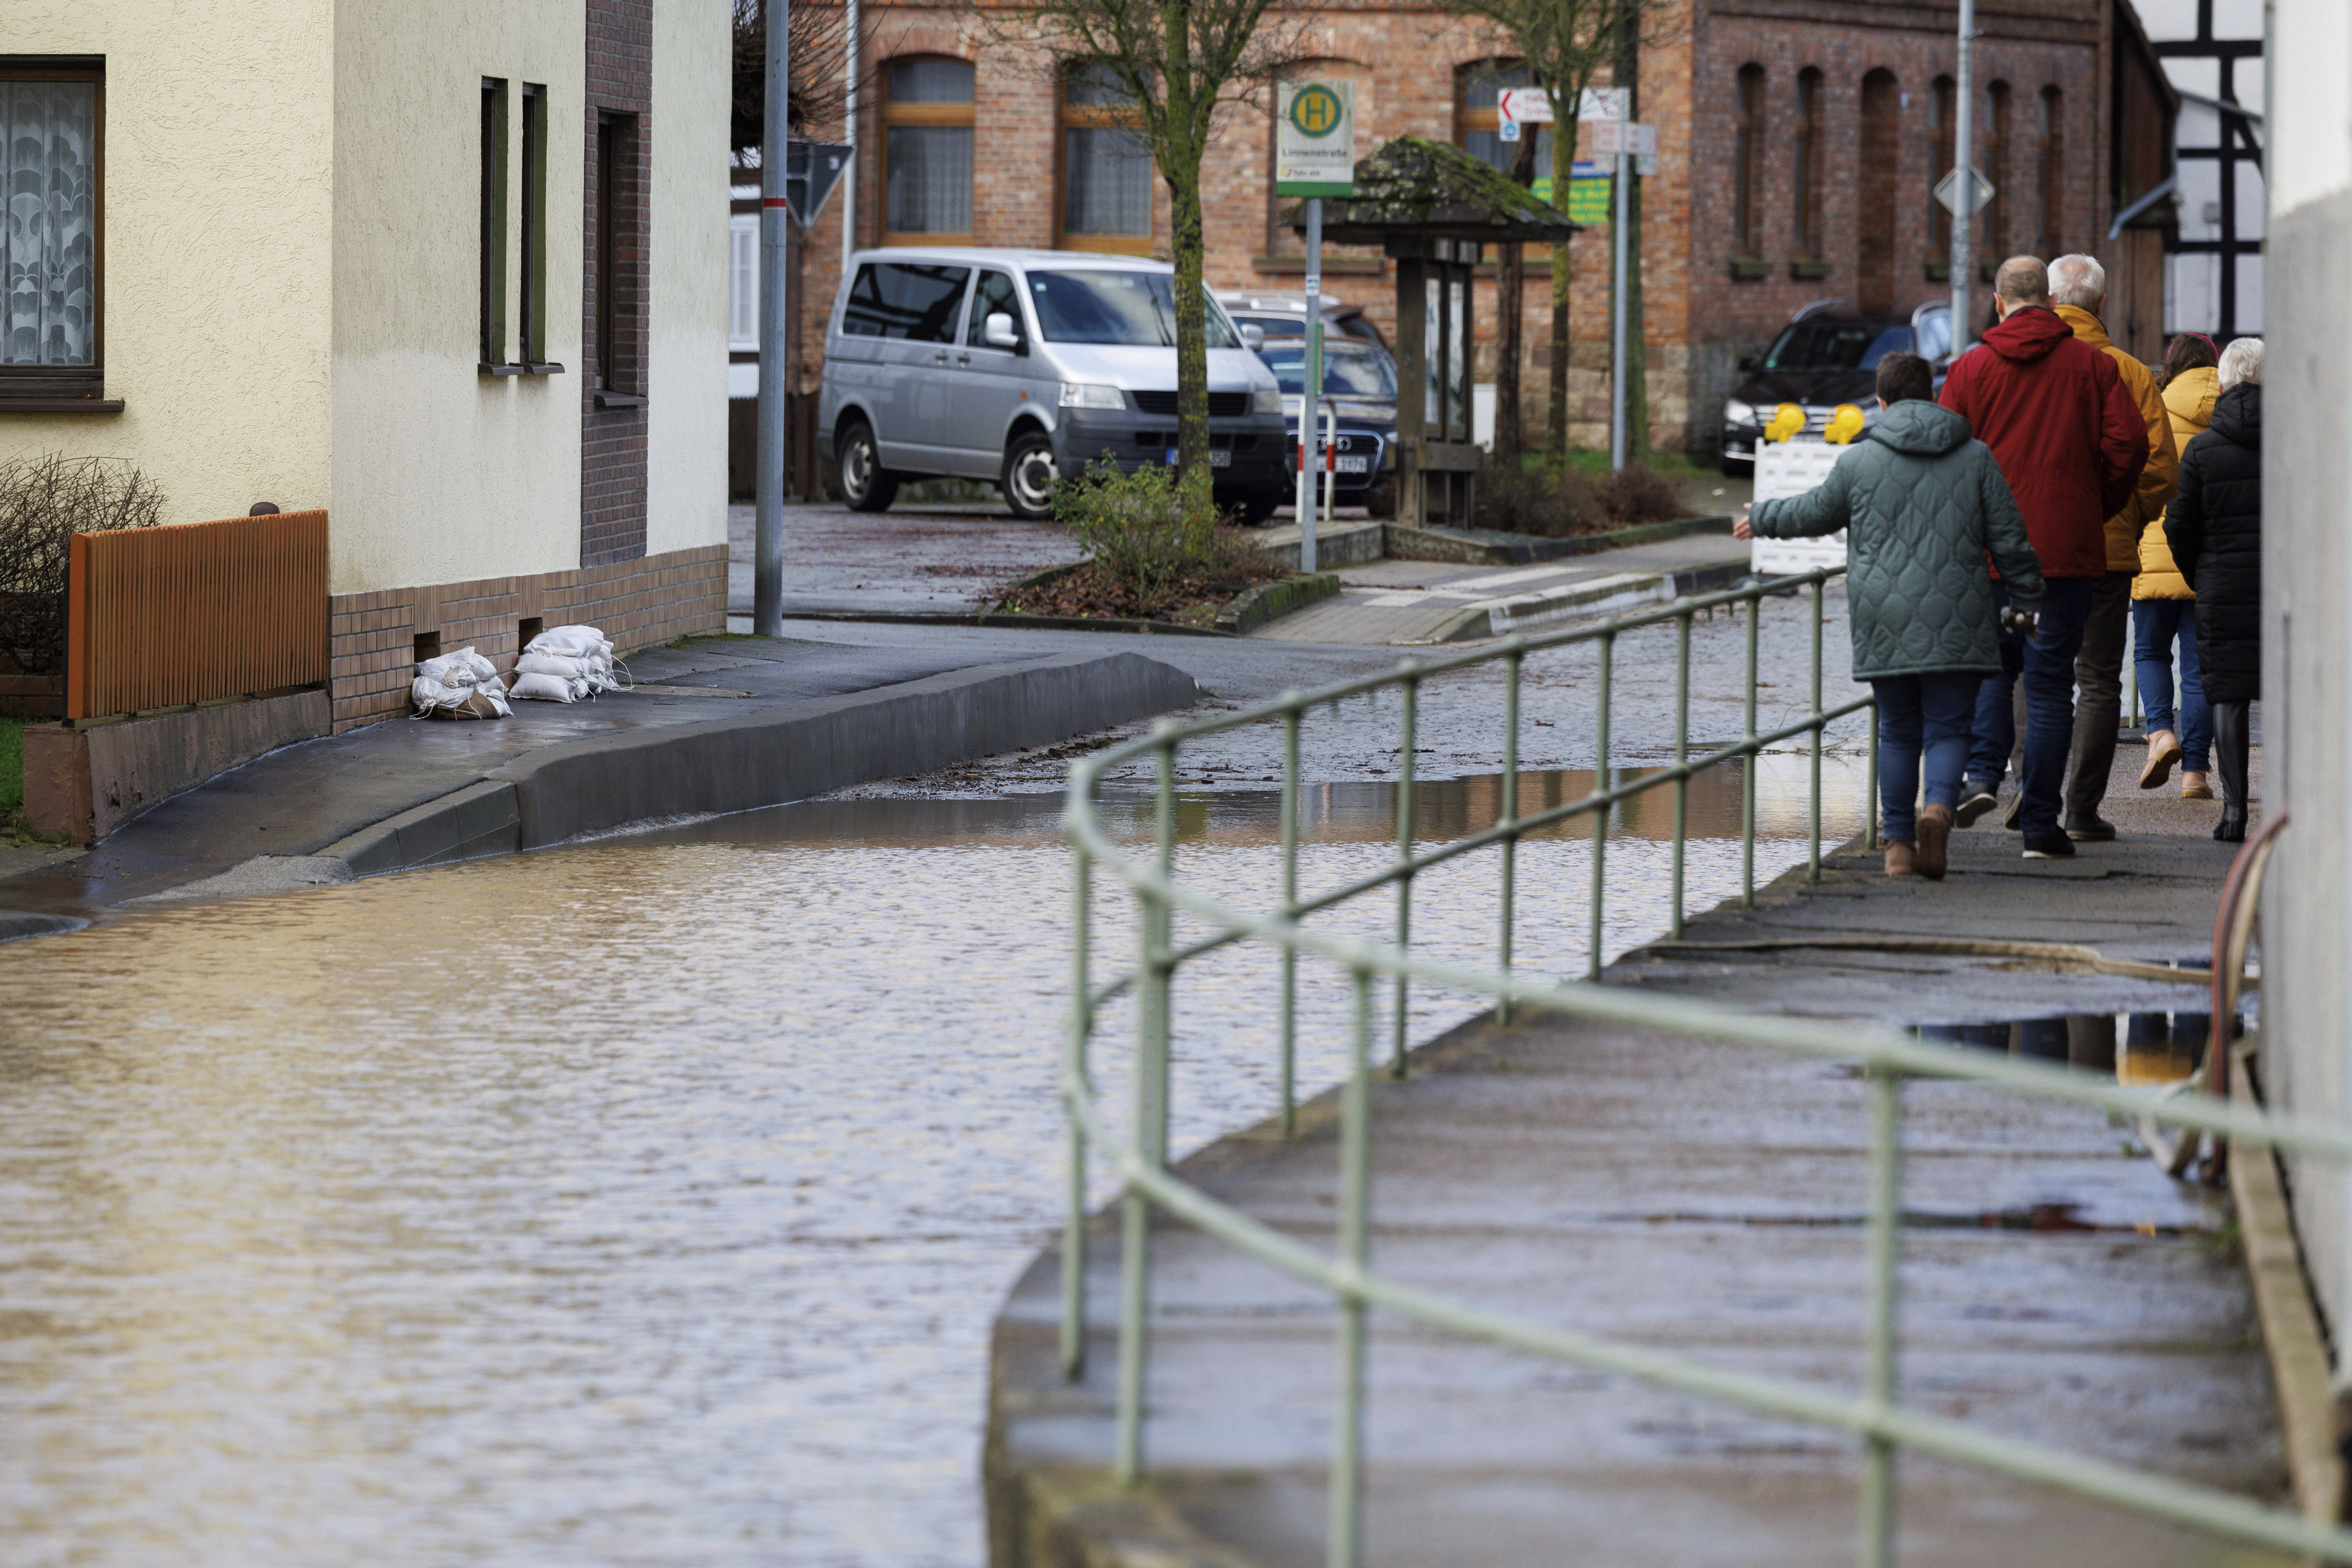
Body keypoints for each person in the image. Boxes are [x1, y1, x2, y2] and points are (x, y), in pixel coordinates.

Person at [1735, 352, 2045, 879]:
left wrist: (1760, 519)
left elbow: (1813, 512)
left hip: (1885, 616)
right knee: (1949, 729)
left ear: (1880, 402)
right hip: (1959, 611)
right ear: (1932, 394)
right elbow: (2010, 539)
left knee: (1899, 732)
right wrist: (2028, 598)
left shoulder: (1859, 461)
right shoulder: (1975, 456)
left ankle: (1898, 844)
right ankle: (1939, 809)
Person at [1938, 255, 2149, 859]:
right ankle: (2038, 826)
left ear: (1999, 303)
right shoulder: (2093, 365)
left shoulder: (1970, 368)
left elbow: (1946, 452)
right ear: (2051, 305)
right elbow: (2128, 443)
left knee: (1995, 671)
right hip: (2064, 553)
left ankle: (1982, 779)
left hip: (1991, 558)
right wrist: (2096, 501)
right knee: (2054, 686)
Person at [2049, 254, 2179, 839]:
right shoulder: (2129, 370)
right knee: (2099, 677)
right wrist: (2129, 515)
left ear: (2053, 301)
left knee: (2038, 673)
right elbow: (2159, 467)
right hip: (2110, 550)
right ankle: (2079, 811)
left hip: (2035, 546)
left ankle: (2033, 798)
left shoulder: (2021, 362)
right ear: (2102, 305)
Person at [2163, 336, 2263, 842]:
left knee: (2227, 696)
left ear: (2221, 383)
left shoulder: (2202, 449)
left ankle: (2233, 812)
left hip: (2221, 587)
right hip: (2283, 591)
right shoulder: (2299, 443)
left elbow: (2177, 526)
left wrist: (2200, 574)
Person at [2134, 334, 2220, 800]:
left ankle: (2160, 733)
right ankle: (2194, 775)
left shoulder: (2153, 410)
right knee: (2198, 669)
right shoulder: (2231, 414)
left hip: (2153, 550)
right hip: (2206, 562)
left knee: (2149, 652)